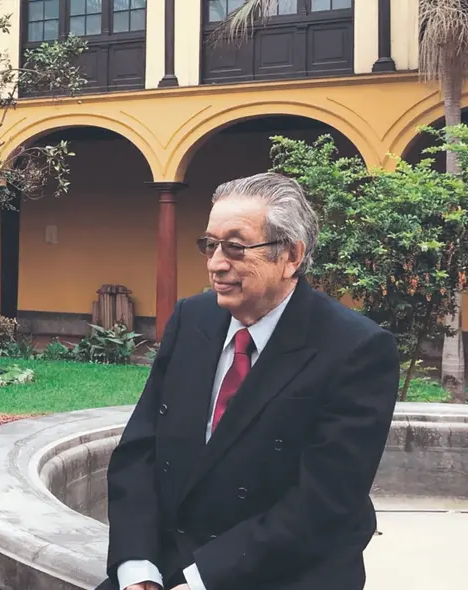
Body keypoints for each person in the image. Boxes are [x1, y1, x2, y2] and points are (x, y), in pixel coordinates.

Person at [99, 172, 399, 590]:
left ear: (291, 255)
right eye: (211, 245)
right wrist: (137, 568)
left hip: (282, 571)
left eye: (236, 247)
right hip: (165, 563)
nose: (216, 263)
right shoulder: (192, 318)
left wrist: (203, 579)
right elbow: (140, 449)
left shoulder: (356, 349)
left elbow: (324, 501)